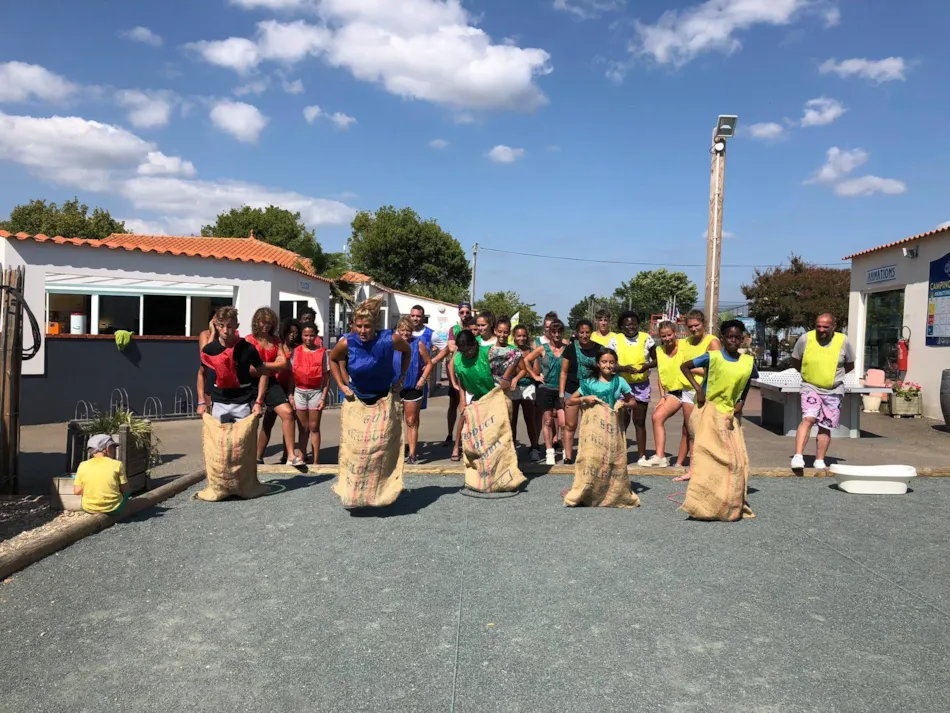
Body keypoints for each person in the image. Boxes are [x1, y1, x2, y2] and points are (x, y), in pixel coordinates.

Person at [679, 320, 757, 521]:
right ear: (722, 338)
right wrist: (698, 390)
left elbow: (747, 383)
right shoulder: (712, 356)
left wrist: (741, 402)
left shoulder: (748, 362)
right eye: (729, 336)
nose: (733, 340)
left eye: (737, 337)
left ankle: (729, 500)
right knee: (710, 456)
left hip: (729, 415)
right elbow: (685, 366)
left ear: (742, 338)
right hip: (707, 412)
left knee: (735, 459)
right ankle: (703, 503)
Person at [790, 313, 856, 470]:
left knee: (825, 425)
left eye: (825, 327)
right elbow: (795, 360)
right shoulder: (806, 339)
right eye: (818, 326)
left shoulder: (843, 341)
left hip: (833, 389)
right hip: (810, 386)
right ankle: (798, 456)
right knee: (809, 418)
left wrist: (833, 377)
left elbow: (850, 364)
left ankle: (819, 459)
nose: (821, 330)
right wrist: (809, 375)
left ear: (833, 326)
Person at [328, 296, 411, 405]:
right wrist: (341, 385)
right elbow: (332, 359)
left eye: (367, 326)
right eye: (359, 326)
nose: (362, 331)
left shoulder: (390, 339)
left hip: (384, 397)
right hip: (356, 397)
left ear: (375, 325)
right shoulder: (347, 342)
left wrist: (402, 377)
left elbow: (407, 351)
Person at [246, 307, 301, 466]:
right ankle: (253, 457)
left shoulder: (276, 341)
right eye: (263, 322)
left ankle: (291, 456)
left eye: (269, 323)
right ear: (257, 322)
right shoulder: (249, 340)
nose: (265, 326)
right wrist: (272, 365)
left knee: (288, 413)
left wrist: (261, 366)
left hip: (270, 383)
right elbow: (246, 367)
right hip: (250, 384)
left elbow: (283, 363)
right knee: (253, 422)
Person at [672, 310, 721, 481]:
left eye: (697, 325)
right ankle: (693, 469)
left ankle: (709, 468)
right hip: (687, 391)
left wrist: (693, 369)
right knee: (691, 431)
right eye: (690, 326)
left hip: (704, 391)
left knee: (707, 431)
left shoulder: (712, 342)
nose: (694, 329)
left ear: (704, 323)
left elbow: (716, 369)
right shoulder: (686, 342)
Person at [200, 306, 267, 423]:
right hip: (219, 403)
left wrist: (258, 402)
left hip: (243, 403)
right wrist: (201, 401)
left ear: (237, 326)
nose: (225, 330)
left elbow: (264, 373)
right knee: (219, 441)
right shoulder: (209, 349)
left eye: (229, 326)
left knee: (242, 441)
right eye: (221, 326)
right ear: (216, 325)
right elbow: (202, 374)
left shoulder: (247, 348)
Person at [607, 311, 657, 467]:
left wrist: (646, 366)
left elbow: (656, 360)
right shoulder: (615, 340)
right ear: (621, 326)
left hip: (641, 385)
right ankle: (619, 456)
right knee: (622, 422)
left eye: (634, 323)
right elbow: (608, 363)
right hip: (621, 386)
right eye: (627, 324)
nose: (631, 327)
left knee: (640, 421)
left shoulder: (646, 338)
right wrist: (622, 368)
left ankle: (642, 456)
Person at [645, 320, 689, 468]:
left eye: (669, 335)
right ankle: (660, 456)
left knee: (688, 428)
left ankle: (680, 462)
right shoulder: (659, 351)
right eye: (663, 336)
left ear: (675, 333)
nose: (667, 338)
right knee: (657, 417)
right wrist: (662, 397)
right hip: (675, 393)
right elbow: (661, 376)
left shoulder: (685, 345)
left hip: (690, 390)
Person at [525, 319, 569, 465]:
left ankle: (565, 450)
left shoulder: (567, 347)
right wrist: (535, 375)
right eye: (553, 332)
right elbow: (526, 360)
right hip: (546, 388)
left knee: (563, 422)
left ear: (562, 332)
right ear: (549, 333)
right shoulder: (543, 348)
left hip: (561, 388)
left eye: (559, 331)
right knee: (548, 420)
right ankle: (549, 451)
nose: (556, 334)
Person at [559, 319, 600, 464]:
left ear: (592, 333)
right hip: (572, 389)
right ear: (576, 333)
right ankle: (568, 456)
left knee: (591, 425)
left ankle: (590, 455)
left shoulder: (599, 349)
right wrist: (562, 394)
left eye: (587, 332)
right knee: (570, 425)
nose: (584, 335)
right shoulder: (570, 348)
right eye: (581, 332)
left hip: (591, 390)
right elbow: (563, 372)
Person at [395, 316, 434, 464]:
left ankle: (412, 454)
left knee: (411, 421)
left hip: (413, 386)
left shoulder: (418, 344)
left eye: (408, 331)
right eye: (402, 330)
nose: (405, 333)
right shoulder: (392, 344)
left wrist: (422, 379)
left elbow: (429, 363)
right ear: (398, 330)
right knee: (395, 422)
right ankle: (397, 453)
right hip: (395, 388)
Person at [290, 322, 328, 465]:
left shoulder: (322, 352)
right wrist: (291, 395)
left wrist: (323, 398)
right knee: (302, 428)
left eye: (311, 335)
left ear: (316, 336)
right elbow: (291, 375)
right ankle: (301, 456)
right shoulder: (295, 351)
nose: (309, 338)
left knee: (314, 427)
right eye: (306, 335)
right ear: (302, 336)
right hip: (299, 391)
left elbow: (326, 377)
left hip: (315, 392)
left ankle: (316, 461)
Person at [73, 434, 129, 515]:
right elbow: (125, 489)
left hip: (89, 508)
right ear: (106, 448)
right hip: (114, 508)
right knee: (127, 492)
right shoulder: (117, 464)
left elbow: (77, 491)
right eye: (113, 447)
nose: (114, 450)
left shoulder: (83, 465)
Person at [443, 302, 474, 444]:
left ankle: (466, 436)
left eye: (467, 312)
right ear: (458, 313)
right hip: (455, 371)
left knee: (469, 405)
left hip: (471, 371)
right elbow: (451, 347)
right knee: (453, 404)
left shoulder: (474, 327)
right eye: (462, 312)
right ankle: (450, 434)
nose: (465, 315)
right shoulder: (453, 329)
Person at [511, 324, 542, 462]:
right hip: (513, 387)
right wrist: (523, 372)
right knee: (512, 420)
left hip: (528, 388)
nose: (521, 338)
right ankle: (512, 450)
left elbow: (535, 372)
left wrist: (523, 368)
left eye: (524, 335)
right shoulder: (510, 350)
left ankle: (534, 448)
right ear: (514, 337)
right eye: (519, 335)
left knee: (530, 419)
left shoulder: (532, 351)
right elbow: (511, 371)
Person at [567, 346, 635, 408]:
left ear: (615, 364)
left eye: (611, 362)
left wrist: (625, 404)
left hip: (613, 420)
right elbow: (569, 401)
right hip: (592, 420)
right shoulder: (590, 382)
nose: (608, 365)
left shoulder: (620, 381)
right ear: (598, 363)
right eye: (604, 362)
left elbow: (633, 402)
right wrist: (584, 399)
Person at [408, 304, 435, 408]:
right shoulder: (402, 332)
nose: (415, 318)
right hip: (402, 379)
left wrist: (432, 361)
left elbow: (446, 348)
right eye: (413, 315)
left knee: (414, 415)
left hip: (419, 379)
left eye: (418, 316)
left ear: (423, 318)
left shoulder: (430, 333)